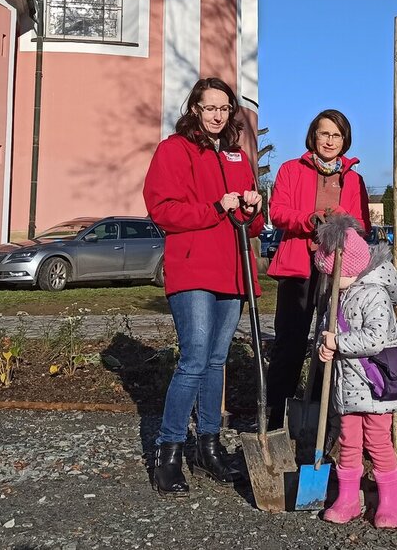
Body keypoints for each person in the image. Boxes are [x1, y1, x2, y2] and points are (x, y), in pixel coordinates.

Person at [142, 76, 263, 497]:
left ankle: (209, 445)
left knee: (217, 361)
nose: (216, 115)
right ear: (194, 108)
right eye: (209, 107)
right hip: (193, 269)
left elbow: (253, 226)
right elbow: (163, 210)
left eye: (224, 108)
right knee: (193, 359)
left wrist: (253, 206)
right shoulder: (174, 150)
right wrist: (215, 207)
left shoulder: (237, 156)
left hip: (232, 269)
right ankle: (169, 450)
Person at [265, 109, 371, 428]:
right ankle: (276, 413)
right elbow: (279, 211)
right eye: (324, 133)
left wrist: (342, 219)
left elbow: (362, 224)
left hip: (337, 270)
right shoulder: (290, 170)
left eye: (336, 135)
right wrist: (308, 219)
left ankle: (321, 411)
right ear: (313, 136)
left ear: (345, 141)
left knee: (331, 339)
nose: (329, 140)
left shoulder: (354, 179)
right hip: (298, 266)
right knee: (290, 341)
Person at [315, 213, 397, 529]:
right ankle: (348, 498)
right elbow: (325, 332)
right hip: (346, 386)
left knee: (379, 442)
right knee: (348, 441)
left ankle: (391, 501)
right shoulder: (336, 296)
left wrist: (337, 341)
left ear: (351, 267)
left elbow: (376, 339)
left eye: (332, 274)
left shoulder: (375, 293)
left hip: (375, 385)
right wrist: (325, 346)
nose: (328, 280)